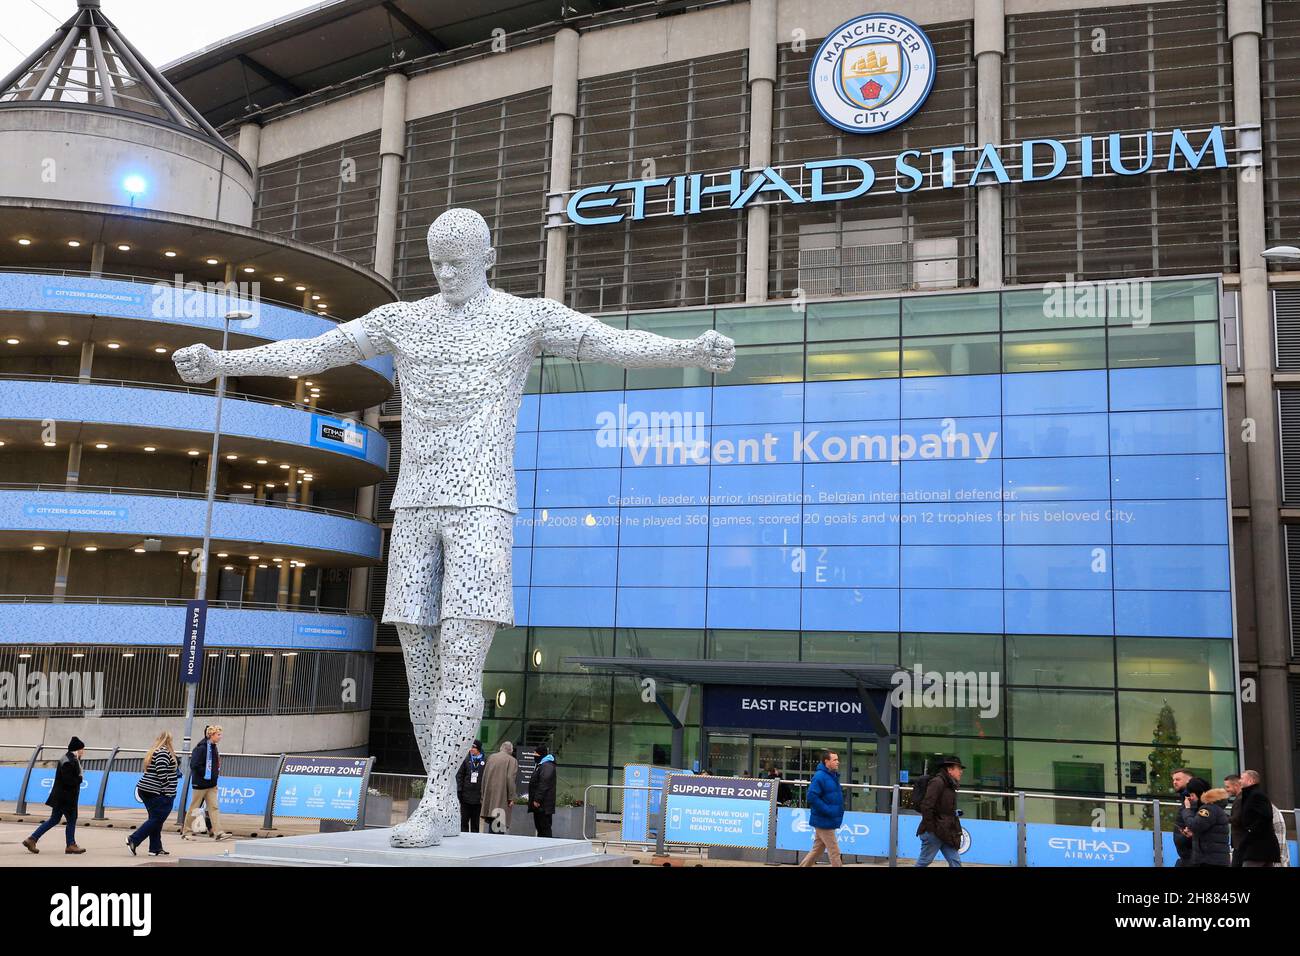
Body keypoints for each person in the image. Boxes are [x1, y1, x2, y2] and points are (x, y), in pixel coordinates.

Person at [173, 208, 735, 850]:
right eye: (437, 262)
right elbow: (318, 350)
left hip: (481, 507)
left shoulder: (524, 318)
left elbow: (605, 341)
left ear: (488, 258)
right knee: (419, 662)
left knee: (463, 659)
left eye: (459, 263)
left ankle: (439, 797)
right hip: (414, 505)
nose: (446, 274)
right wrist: (223, 362)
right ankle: (435, 795)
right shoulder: (404, 322)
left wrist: (686, 349)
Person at [22, 736, 86, 855]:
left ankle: (32, 839)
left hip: (61, 797)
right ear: (77, 749)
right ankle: (71, 845)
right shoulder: (69, 761)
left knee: (54, 819)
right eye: (82, 749)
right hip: (66, 798)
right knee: (72, 819)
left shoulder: (68, 758)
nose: (84, 752)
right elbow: (68, 781)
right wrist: (80, 779)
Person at [127, 731, 179, 857]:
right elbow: (161, 772)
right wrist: (167, 788)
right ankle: (134, 839)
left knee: (155, 819)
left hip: (148, 789)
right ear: (168, 741)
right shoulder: (163, 752)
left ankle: (155, 848)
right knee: (157, 818)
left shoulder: (155, 751)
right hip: (155, 790)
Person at [915, 755, 964, 868]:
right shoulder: (938, 782)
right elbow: (926, 806)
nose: (961, 772)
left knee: (955, 862)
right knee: (924, 861)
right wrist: (932, 828)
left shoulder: (950, 784)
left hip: (946, 831)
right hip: (935, 831)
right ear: (950, 770)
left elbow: (943, 808)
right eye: (958, 768)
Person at [798, 750, 845, 868]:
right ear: (827, 761)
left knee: (817, 850)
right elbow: (811, 797)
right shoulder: (820, 777)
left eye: (837, 759)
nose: (837, 762)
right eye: (835, 760)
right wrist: (828, 810)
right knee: (834, 851)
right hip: (823, 820)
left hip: (826, 819)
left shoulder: (832, 776)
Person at [185, 725, 229, 841]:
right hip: (200, 784)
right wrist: (206, 774)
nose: (220, 737)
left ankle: (218, 832)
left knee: (214, 808)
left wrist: (213, 778)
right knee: (194, 807)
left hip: (211, 784)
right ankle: (186, 831)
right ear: (211, 735)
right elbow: (194, 765)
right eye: (218, 735)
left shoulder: (213, 747)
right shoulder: (201, 748)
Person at [1232, 770, 1281, 867]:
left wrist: (1250, 831)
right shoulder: (1251, 795)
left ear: (1250, 781)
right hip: (1258, 846)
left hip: (1258, 847)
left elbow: (1265, 816)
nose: (1239, 781)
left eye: (1242, 778)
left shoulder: (1256, 795)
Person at [1170, 768, 1210, 867]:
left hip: (1194, 857)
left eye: (1178, 779)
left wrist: (1189, 837)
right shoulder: (1185, 799)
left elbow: (1198, 825)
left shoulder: (1195, 800)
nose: (1174, 782)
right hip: (1188, 857)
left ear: (1189, 781)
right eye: (1173, 780)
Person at [1184, 787, 1230, 867]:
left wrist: (1187, 809)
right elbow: (1211, 833)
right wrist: (1194, 834)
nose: (1191, 798)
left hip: (1207, 859)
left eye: (1192, 795)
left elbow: (1194, 826)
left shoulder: (1209, 809)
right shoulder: (1219, 811)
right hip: (1217, 859)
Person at [479, 740, 518, 833]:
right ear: (511, 750)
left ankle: (491, 844)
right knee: (499, 825)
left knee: (492, 823)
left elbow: (484, 776)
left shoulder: (491, 757)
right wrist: (511, 797)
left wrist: (483, 794)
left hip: (489, 796)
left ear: (501, 748)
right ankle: (496, 846)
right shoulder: (512, 760)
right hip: (502, 797)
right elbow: (510, 779)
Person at [456, 740, 486, 833]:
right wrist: (460, 790)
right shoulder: (466, 760)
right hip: (466, 796)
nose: (471, 749)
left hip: (478, 797)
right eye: (471, 747)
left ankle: (474, 842)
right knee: (464, 822)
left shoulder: (485, 761)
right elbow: (460, 775)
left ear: (479, 749)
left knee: (475, 823)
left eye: (474, 747)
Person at [528, 744, 557, 838]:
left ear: (541, 754)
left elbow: (544, 783)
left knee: (544, 828)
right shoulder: (541, 765)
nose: (534, 756)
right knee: (540, 828)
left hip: (543, 805)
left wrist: (537, 799)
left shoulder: (547, 765)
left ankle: (546, 849)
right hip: (541, 805)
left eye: (535, 753)